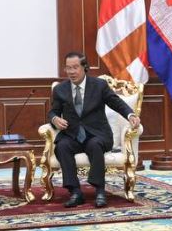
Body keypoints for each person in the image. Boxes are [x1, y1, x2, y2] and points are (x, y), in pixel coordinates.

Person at [48, 52, 140, 208]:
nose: (71, 72)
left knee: (94, 145)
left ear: (85, 67)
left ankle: (100, 191)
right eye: (68, 68)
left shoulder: (99, 85)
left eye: (75, 67)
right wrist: (55, 119)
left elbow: (115, 102)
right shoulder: (60, 90)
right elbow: (53, 112)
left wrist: (130, 114)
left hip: (98, 134)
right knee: (62, 146)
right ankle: (75, 192)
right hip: (73, 134)